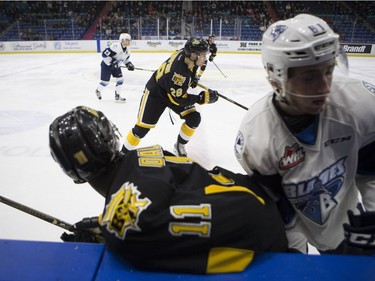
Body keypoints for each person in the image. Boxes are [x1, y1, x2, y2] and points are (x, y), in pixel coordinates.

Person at [49, 105, 288, 274]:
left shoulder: (122, 233)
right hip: (259, 201)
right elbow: (163, 200)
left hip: (269, 248)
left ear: (72, 173)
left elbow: (139, 230)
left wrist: (109, 234)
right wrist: (107, 222)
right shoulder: (148, 153)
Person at [234, 14, 375, 255]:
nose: (325, 86)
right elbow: (283, 216)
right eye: (309, 77)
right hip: (302, 226)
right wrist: (295, 259)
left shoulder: (360, 105)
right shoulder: (257, 137)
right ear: (277, 80)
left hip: (347, 227)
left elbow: (371, 173)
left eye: (329, 71)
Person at [122, 37, 219, 157]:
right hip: (156, 94)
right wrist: (201, 98)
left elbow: (189, 71)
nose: (205, 58)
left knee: (194, 118)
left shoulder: (186, 55)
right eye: (203, 55)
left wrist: (193, 78)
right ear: (193, 56)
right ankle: (121, 155)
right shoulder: (179, 73)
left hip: (173, 89)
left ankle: (179, 146)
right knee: (141, 130)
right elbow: (178, 99)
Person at [95, 33, 135, 103]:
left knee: (120, 80)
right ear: (122, 40)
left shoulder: (128, 49)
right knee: (105, 82)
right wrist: (111, 63)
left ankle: (117, 96)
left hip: (116, 65)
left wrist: (129, 64)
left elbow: (125, 60)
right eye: (127, 40)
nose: (129, 41)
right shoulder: (115, 46)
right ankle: (98, 90)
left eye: (129, 40)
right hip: (106, 65)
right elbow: (104, 55)